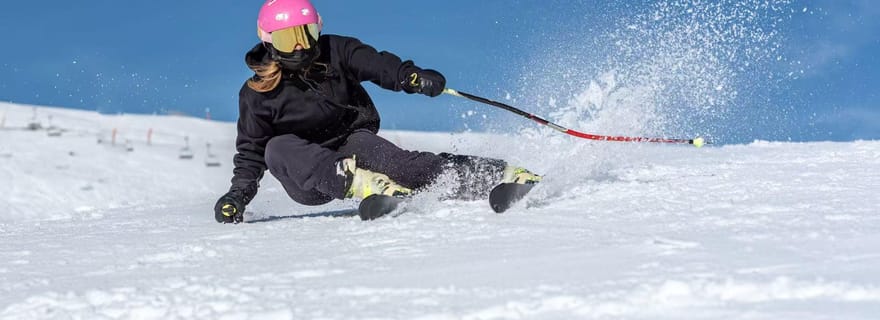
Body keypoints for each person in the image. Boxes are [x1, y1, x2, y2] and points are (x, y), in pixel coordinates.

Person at [214, 0, 541, 223]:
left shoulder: (335, 50)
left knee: (402, 165)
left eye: (306, 34)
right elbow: (252, 153)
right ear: (270, 41)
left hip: (351, 142)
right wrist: (237, 197)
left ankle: (497, 175)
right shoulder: (257, 93)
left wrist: (409, 76)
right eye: (289, 39)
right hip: (309, 175)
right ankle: (362, 184)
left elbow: (375, 63)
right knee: (276, 147)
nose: (300, 46)